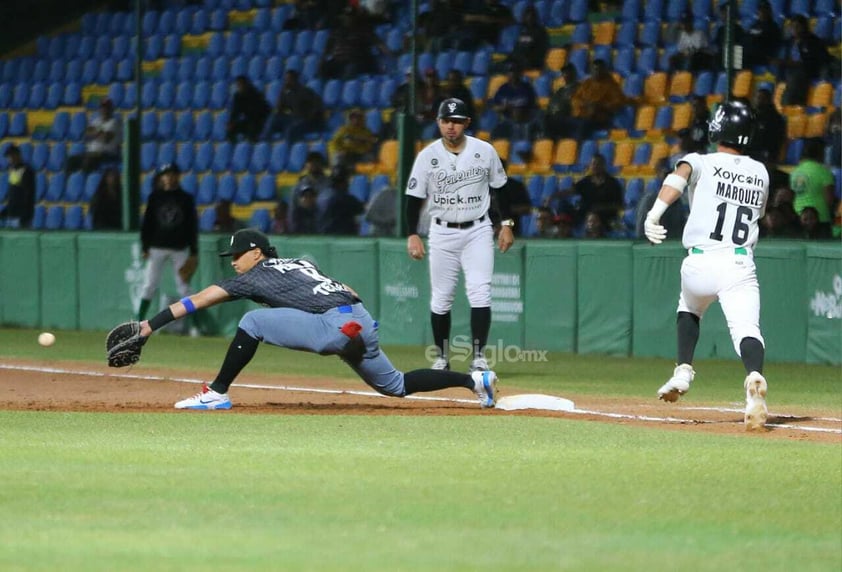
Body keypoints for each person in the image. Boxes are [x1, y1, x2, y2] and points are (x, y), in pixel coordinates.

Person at [136, 228, 498, 410]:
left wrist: (149, 326)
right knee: (397, 386)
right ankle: (474, 380)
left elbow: (197, 300)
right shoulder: (300, 263)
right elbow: (349, 288)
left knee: (253, 323)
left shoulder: (255, 274)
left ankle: (215, 393)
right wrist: (353, 324)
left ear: (256, 253)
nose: (233, 261)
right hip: (357, 319)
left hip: (334, 327)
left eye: (237, 255)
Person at [642, 100, 770, 431]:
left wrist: (654, 213)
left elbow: (679, 175)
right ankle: (754, 379)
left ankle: (683, 370)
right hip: (739, 263)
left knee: (689, 307)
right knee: (746, 331)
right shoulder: (761, 171)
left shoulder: (700, 160)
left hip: (699, 262)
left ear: (719, 129)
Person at [405, 98, 515, 372]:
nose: (450, 126)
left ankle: (478, 357)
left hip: (478, 228)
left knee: (480, 293)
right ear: (438, 123)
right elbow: (412, 198)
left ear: (467, 123)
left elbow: (500, 188)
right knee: (441, 297)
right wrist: (412, 234)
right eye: (445, 121)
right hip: (441, 231)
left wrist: (507, 224)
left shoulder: (484, 151)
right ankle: (441, 357)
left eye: (456, 121)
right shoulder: (427, 156)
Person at [137, 163, 200, 335]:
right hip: (157, 246)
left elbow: (192, 225)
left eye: (172, 174)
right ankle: (138, 322)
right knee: (149, 284)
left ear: (177, 176)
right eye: (166, 174)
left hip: (179, 247)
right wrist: (145, 245)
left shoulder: (186, 198)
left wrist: (194, 251)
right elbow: (147, 223)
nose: (169, 177)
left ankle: (195, 325)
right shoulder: (155, 197)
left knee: (184, 288)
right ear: (161, 178)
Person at [570, 59, 629, 139]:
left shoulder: (611, 85)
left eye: (598, 69)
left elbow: (618, 101)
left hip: (598, 118)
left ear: (604, 71)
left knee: (582, 126)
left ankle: (577, 147)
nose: (596, 72)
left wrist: (599, 105)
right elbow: (575, 98)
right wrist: (585, 104)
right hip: (582, 114)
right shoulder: (587, 83)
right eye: (594, 69)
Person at [262, 70, 324, 143]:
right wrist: (282, 94)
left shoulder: (305, 91)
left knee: (290, 130)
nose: (287, 81)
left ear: (295, 79)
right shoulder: (286, 92)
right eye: (286, 79)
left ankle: (286, 147)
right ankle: (264, 142)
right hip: (292, 118)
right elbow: (279, 108)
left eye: (289, 79)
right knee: (273, 118)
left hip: (304, 120)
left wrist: (310, 116)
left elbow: (318, 104)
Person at [790, 138, 835, 236]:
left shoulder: (795, 171)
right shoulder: (824, 172)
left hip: (798, 217)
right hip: (820, 219)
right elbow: (829, 199)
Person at [66, 98, 122, 173]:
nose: (104, 110)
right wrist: (99, 133)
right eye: (102, 107)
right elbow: (86, 136)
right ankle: (70, 182)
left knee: (88, 161)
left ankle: (86, 181)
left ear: (111, 109)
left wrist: (95, 133)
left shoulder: (114, 123)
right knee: (72, 160)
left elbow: (106, 139)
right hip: (92, 153)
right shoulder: (96, 121)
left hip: (107, 154)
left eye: (106, 108)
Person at [570, 153, 624, 230]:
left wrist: (601, 207)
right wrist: (553, 196)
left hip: (605, 215)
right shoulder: (586, 181)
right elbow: (572, 191)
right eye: (593, 164)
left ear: (603, 166)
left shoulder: (612, 183)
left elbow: (619, 205)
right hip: (586, 213)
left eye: (597, 164)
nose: (595, 166)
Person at [490, 63, 539, 141]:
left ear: (519, 73)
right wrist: (503, 107)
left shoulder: (527, 88)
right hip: (507, 119)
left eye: (514, 71)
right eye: (510, 72)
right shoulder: (503, 89)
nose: (512, 74)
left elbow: (533, 106)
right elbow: (495, 107)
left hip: (525, 119)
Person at [226, 75, 270, 143]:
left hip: (259, 121)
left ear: (245, 84)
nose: (239, 87)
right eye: (238, 85)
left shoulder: (255, 94)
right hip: (247, 121)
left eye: (240, 85)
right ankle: (234, 148)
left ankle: (252, 146)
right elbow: (235, 111)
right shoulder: (237, 96)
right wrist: (231, 122)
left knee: (252, 129)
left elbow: (263, 111)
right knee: (231, 129)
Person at [1, 144, 35, 229]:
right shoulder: (13, 171)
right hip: (11, 216)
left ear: (17, 155)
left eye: (11, 155)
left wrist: (26, 215)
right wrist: (5, 212)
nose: (10, 159)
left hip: (20, 217)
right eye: (8, 156)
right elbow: (12, 196)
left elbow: (29, 194)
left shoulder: (26, 170)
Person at [543, 63, 580, 140]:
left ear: (573, 73)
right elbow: (552, 104)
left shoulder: (579, 88)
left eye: (567, 72)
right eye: (564, 73)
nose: (565, 75)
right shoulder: (560, 90)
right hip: (556, 117)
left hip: (569, 117)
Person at [749, 87, 786, 163]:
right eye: (756, 97)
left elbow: (775, 141)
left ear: (768, 100)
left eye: (761, 98)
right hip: (751, 151)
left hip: (766, 155)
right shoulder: (752, 114)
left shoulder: (775, 118)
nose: (757, 100)